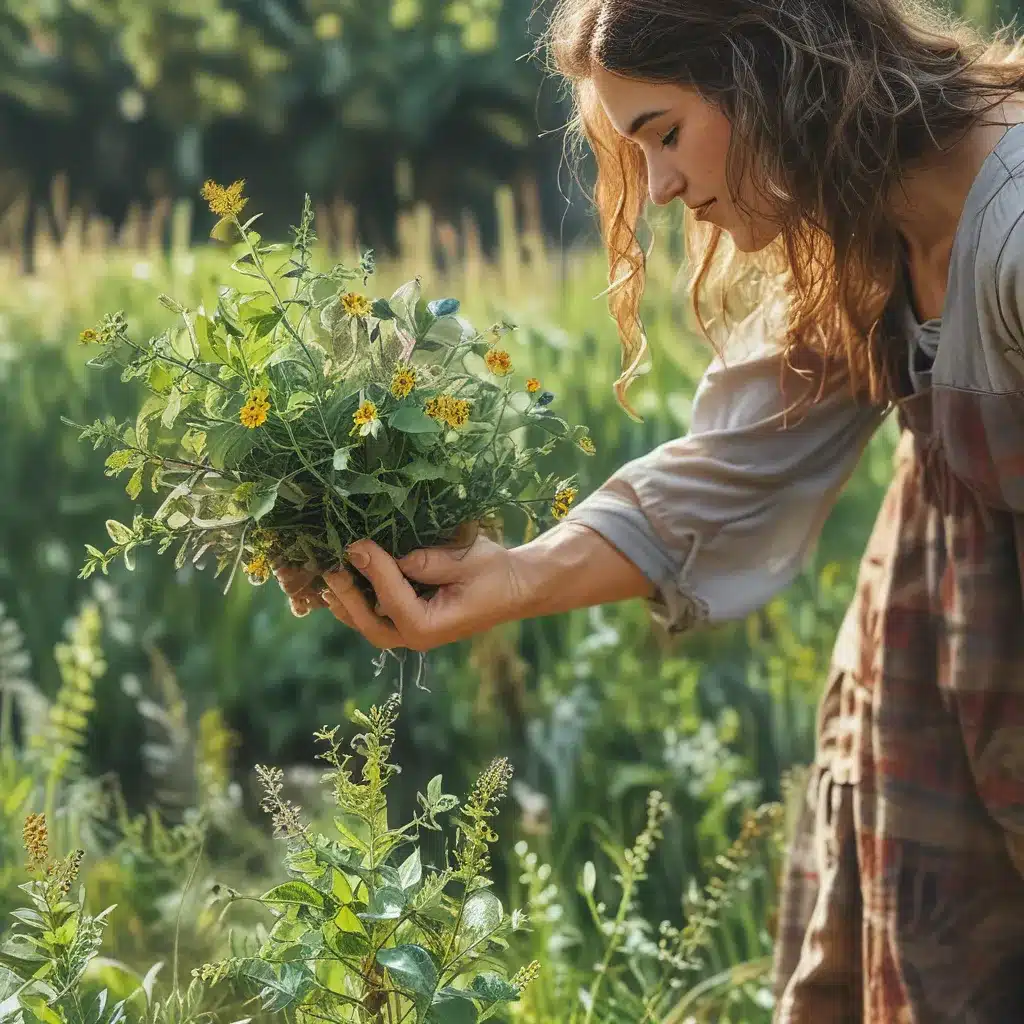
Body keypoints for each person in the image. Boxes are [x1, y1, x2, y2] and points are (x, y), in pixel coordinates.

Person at [278, 0, 1024, 1019]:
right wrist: (509, 575)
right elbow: (729, 466)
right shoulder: (867, 234)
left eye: (664, 135)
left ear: (775, 70)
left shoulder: (1011, 230)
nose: (662, 189)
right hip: (933, 696)